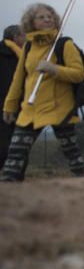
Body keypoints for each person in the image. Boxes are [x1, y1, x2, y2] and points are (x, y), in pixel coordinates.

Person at [2, 4, 84, 181]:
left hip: (60, 108)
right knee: (14, 156)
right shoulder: (27, 48)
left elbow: (78, 74)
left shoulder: (65, 44)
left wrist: (54, 69)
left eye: (50, 16)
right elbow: (18, 80)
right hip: (30, 110)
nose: (48, 19)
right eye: (41, 17)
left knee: (73, 157)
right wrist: (9, 107)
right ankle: (8, 196)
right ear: (31, 22)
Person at [0, 24, 25, 168]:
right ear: (16, 37)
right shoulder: (5, 54)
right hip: (5, 106)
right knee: (5, 141)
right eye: (24, 35)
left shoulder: (20, 54)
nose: (27, 38)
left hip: (18, 106)